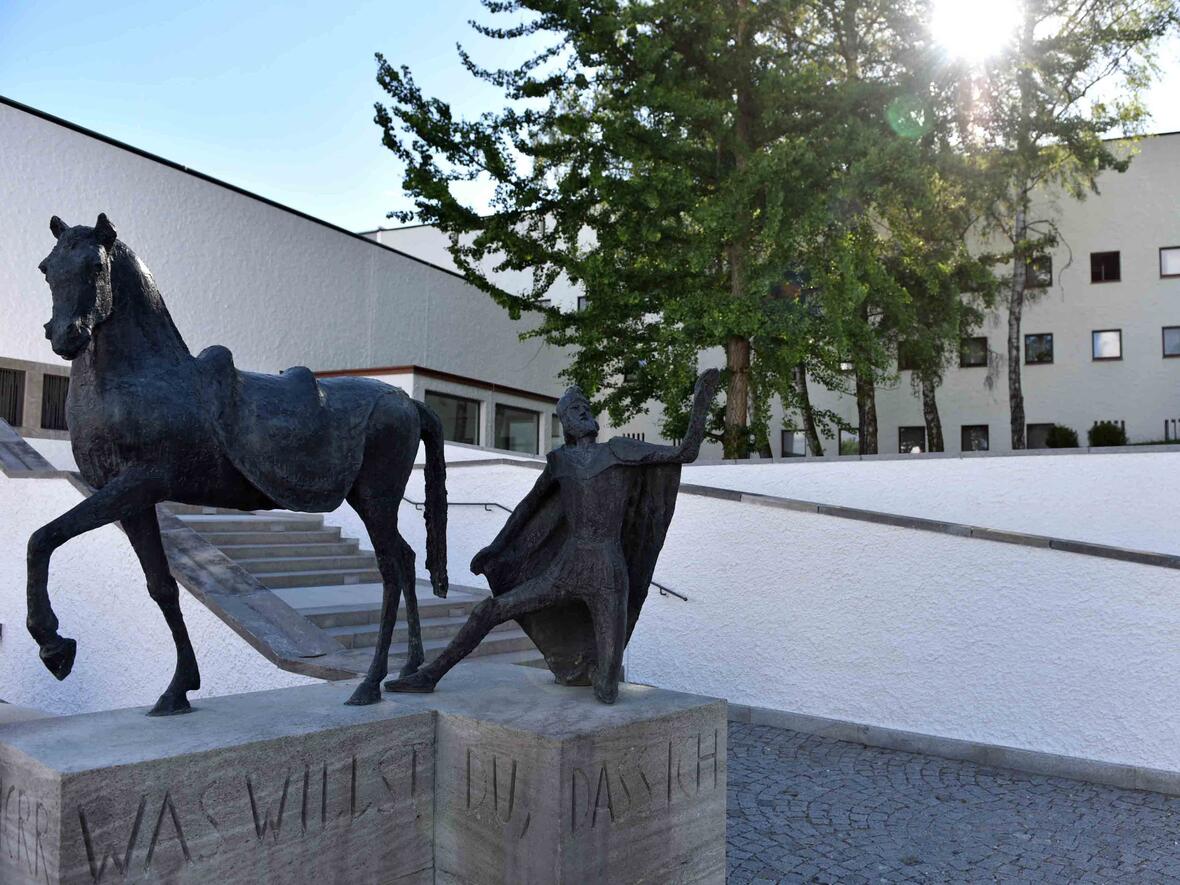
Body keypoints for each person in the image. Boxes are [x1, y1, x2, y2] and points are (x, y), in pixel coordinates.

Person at [386, 368, 719, 703]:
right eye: (576, 410)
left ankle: (600, 677)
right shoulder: (560, 461)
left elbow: (684, 453)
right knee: (488, 611)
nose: (585, 412)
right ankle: (429, 675)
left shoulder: (618, 450)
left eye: (587, 407)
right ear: (565, 424)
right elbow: (528, 508)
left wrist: (700, 403)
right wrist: (495, 549)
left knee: (606, 689)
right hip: (567, 567)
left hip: (608, 573)